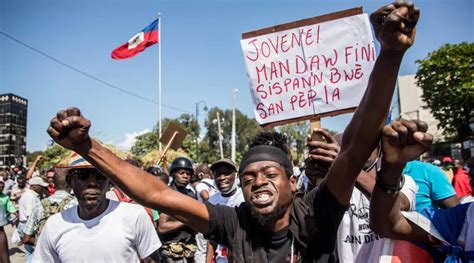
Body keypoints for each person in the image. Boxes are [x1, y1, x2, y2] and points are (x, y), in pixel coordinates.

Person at [46, 2, 419, 261]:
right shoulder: (232, 222)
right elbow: (157, 194)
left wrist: (389, 54)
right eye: (249, 177)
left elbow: (353, 147)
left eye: (270, 174)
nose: (258, 182)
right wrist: (87, 147)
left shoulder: (316, 214)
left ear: (292, 182)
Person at [370, 119, 473, 262]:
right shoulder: (464, 218)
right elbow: (386, 224)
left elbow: (453, 203)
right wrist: (392, 167)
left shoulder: (429, 172)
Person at [33, 153, 161, 262]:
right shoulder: (54, 225)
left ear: (110, 182)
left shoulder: (134, 215)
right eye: (83, 175)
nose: (92, 183)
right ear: (70, 182)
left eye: (100, 175)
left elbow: (152, 260)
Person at [22, 163, 78, 246]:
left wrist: (44, 244)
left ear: (54, 184)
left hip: (43, 255)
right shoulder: (76, 205)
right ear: (71, 183)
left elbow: (26, 239)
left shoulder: (39, 205)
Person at [158, 157, 197, 262]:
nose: (185, 176)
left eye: (188, 174)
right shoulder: (167, 195)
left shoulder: (190, 194)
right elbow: (162, 227)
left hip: (189, 248)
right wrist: (186, 221)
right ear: (173, 174)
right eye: (181, 173)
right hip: (172, 251)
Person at [205, 159, 244, 263]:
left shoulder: (244, 197)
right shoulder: (212, 200)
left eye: (226, 173)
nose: (222, 178)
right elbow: (211, 237)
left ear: (236, 175)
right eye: (218, 174)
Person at [18, 177, 48, 262]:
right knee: (34, 254)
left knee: (29, 253)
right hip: (28, 227)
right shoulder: (30, 197)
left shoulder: (30, 195)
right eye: (41, 186)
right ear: (34, 186)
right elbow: (30, 217)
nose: (42, 188)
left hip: (25, 225)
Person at [0, 180, 16, 263]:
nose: (1, 189)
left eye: (2, 187)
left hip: (0, 226)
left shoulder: (4, 197)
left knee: (3, 251)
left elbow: (10, 206)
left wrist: (15, 212)